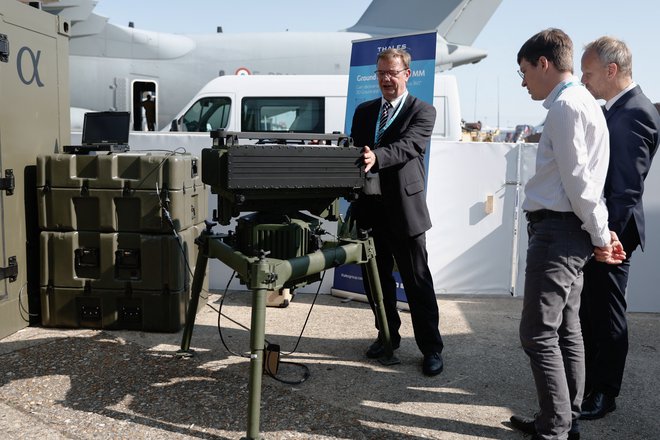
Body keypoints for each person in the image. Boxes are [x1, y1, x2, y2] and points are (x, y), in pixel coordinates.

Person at [509, 29, 625, 440]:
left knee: (538, 331)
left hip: (559, 231)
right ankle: (563, 419)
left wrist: (601, 234)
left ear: (544, 63)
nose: (523, 82)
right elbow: (585, 183)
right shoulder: (580, 103)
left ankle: (555, 427)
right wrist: (599, 232)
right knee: (565, 329)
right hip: (569, 229)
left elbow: (579, 183)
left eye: (524, 71)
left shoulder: (566, 107)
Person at [578, 36, 660, 420]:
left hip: (614, 233)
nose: (583, 79)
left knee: (607, 314)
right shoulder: (616, 108)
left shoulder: (635, 112)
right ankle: (589, 382)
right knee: (591, 311)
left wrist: (605, 236)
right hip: (604, 230)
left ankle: (604, 392)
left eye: (589, 72)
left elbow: (626, 188)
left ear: (612, 71)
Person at [349, 48, 444, 376]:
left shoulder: (423, 111)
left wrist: (376, 156)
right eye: (381, 74)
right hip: (370, 209)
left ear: (407, 74)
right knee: (376, 282)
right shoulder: (363, 111)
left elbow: (409, 146)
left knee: (417, 281)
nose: (386, 80)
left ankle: (431, 348)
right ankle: (386, 335)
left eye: (392, 73)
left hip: (405, 211)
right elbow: (353, 151)